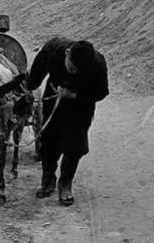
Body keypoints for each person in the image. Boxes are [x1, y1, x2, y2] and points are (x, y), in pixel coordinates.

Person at [26, 38, 109, 207]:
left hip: (81, 108)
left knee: (74, 147)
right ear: (67, 54)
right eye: (71, 67)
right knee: (49, 142)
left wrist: (75, 96)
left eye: (77, 71)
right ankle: (48, 179)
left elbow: (101, 92)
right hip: (53, 102)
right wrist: (28, 88)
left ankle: (65, 184)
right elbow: (35, 75)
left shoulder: (97, 63)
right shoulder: (53, 49)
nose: (72, 72)